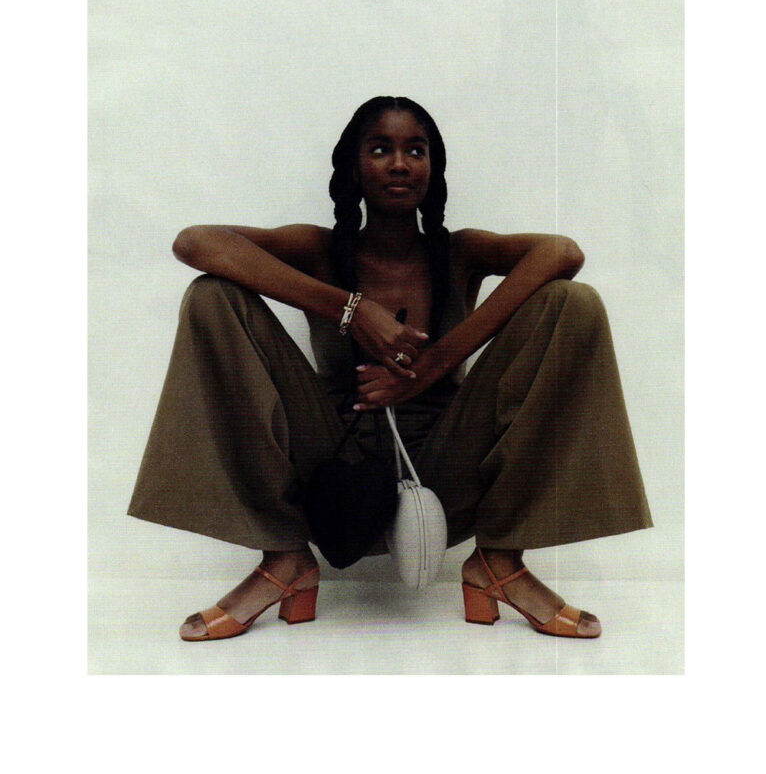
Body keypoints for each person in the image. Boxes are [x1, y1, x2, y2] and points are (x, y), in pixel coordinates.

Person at [128, 96, 652, 642]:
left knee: (573, 303)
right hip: (331, 467)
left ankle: (499, 562)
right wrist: (350, 309)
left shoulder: (461, 253)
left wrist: (432, 366)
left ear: (433, 169)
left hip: (447, 469)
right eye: (380, 149)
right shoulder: (319, 249)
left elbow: (563, 252)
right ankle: (284, 559)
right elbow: (194, 242)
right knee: (211, 296)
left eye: (415, 151)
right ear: (353, 168)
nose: (400, 164)